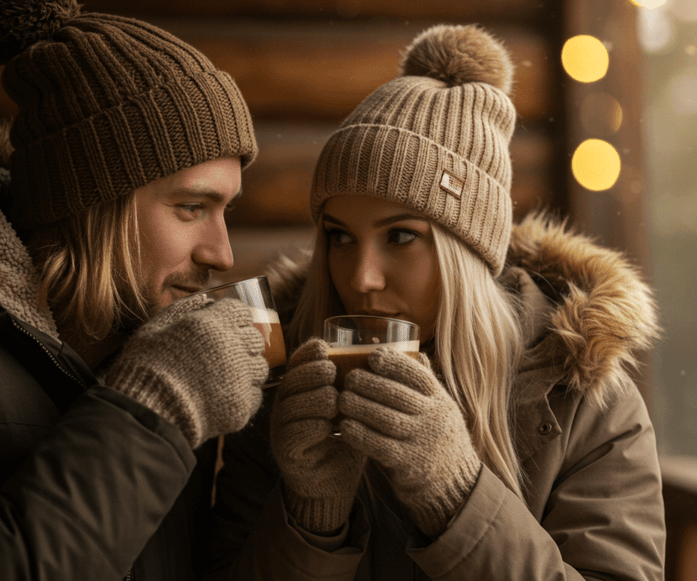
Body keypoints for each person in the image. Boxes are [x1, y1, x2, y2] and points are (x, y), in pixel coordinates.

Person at [206, 23, 667, 580]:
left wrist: (455, 495)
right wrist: (313, 517)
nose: (362, 277)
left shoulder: (581, 397)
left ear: (466, 252)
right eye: (339, 236)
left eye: (400, 236)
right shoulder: (284, 384)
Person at [0, 0, 269, 579]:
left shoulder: (156, 338)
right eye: (191, 207)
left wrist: (313, 510)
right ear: (91, 208)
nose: (223, 254)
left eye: (226, 210)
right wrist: (153, 408)